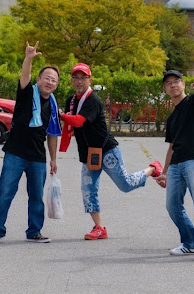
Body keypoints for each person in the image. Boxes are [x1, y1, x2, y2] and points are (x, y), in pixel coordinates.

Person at [59, 63, 162, 240]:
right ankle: (99, 228)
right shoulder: (72, 100)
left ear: (90, 80)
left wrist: (61, 115)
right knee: (88, 190)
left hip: (107, 151)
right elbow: (72, 125)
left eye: (83, 77)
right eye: (75, 77)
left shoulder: (93, 100)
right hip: (89, 153)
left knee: (126, 184)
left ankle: (152, 168)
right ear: (71, 80)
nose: (79, 81)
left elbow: (78, 121)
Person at [0, 42, 60, 245]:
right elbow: (24, 76)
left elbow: (52, 134)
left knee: (36, 196)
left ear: (57, 85)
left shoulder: (53, 104)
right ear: (39, 79)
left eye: (54, 80)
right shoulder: (27, 93)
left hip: (37, 156)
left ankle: (34, 231)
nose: (50, 82)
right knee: (6, 192)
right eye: (47, 78)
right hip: (15, 152)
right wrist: (28, 58)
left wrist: (53, 159)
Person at [156, 69, 194, 263]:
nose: (173, 85)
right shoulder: (172, 117)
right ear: (165, 89)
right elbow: (172, 146)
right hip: (175, 165)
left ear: (182, 84)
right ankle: (190, 241)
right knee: (172, 206)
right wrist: (164, 172)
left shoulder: (192, 102)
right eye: (168, 83)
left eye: (176, 81)